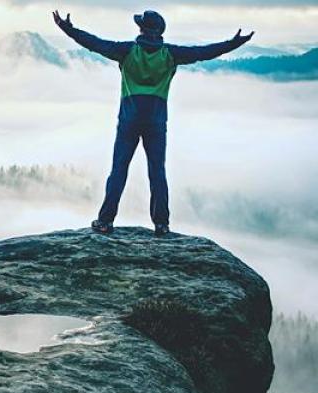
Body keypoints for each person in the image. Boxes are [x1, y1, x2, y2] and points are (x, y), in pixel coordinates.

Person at [52, 10, 254, 236]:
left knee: (119, 170)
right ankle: (161, 224)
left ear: (141, 29)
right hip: (156, 121)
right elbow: (204, 52)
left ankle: (105, 221)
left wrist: (67, 28)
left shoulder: (127, 51)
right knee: (157, 171)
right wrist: (233, 43)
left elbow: (94, 44)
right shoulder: (171, 54)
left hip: (128, 120)